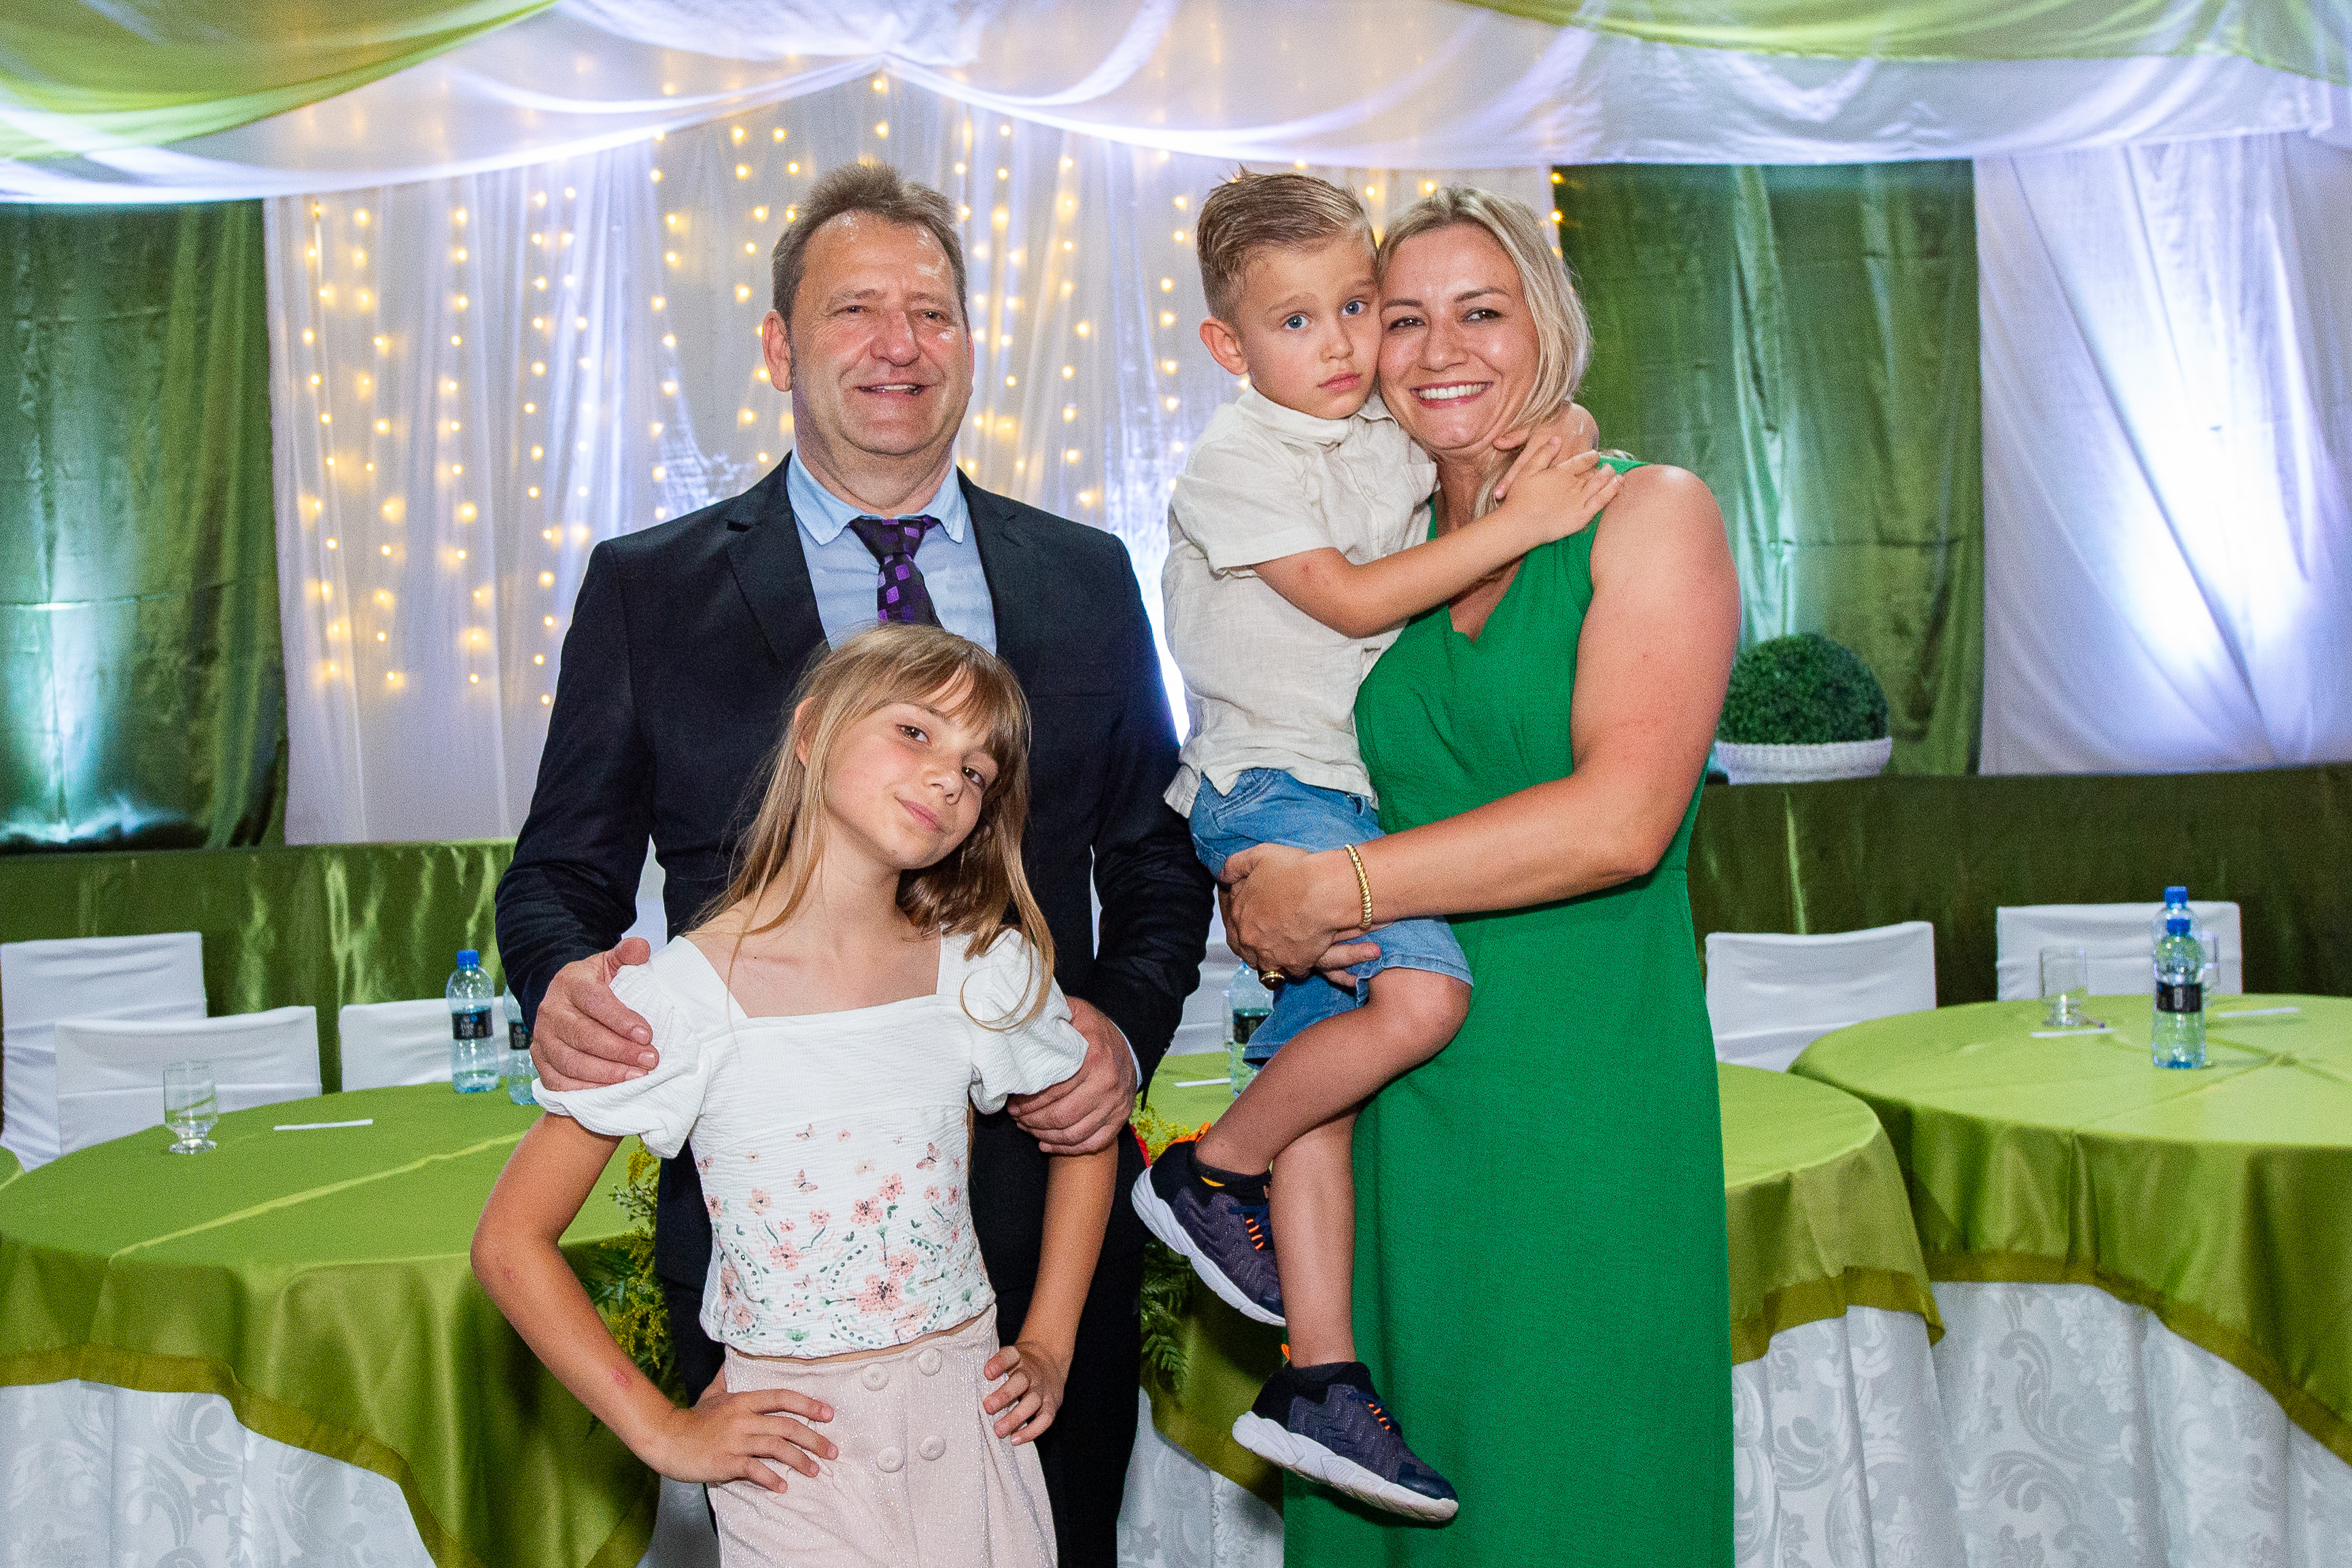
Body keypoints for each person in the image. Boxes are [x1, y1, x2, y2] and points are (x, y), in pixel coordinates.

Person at [495, 163, 1213, 1565]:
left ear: (970, 343)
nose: (900, 344)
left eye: (933, 312)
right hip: (780, 1258)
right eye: (855, 309)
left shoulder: (1084, 573)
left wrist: (1120, 1036)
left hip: (1040, 1229)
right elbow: (557, 874)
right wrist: (564, 983)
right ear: (779, 346)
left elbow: (1155, 860)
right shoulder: (650, 586)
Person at [1221, 186, 1740, 1564]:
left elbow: (1621, 821)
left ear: (1547, 327)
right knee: (1390, 1499)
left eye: (1482, 312)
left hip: (1581, 1096)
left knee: (1577, 1488)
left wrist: (1333, 889)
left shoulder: (1648, 513)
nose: (1441, 349)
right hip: (1387, 1100)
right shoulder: (1372, 550)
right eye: (1402, 318)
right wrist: (1257, 874)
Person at [1132, 171, 1618, 1520]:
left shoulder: (1372, 433)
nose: (1344, 344)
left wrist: (1560, 431)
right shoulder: (1238, 462)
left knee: (1323, 1087)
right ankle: (1205, 1170)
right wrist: (1523, 524)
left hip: (1348, 797)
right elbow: (1348, 602)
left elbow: (1520, 422)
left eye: (1359, 306)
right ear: (1229, 345)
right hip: (1272, 787)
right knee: (1420, 1000)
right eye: (1298, 321)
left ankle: (1320, 1373)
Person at [476, 625, 1118, 1567]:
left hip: (975, 1434)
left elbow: (1088, 1134)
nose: (950, 778)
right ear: (813, 732)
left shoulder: (985, 968)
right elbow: (510, 1240)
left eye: (977, 771)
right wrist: (660, 1431)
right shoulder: (677, 998)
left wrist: (1051, 1343)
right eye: (915, 732)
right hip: (798, 1467)